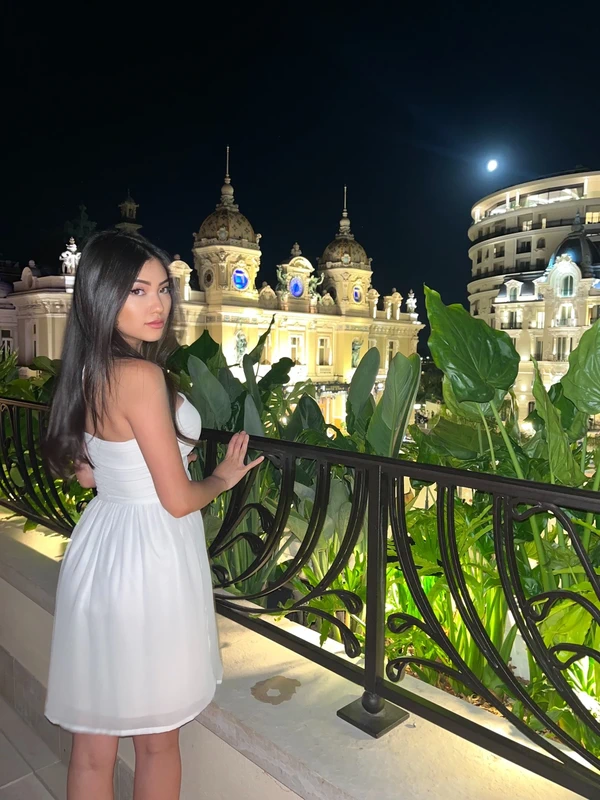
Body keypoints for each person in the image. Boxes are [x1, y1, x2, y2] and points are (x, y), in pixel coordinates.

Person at [43, 230, 263, 800]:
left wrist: (139, 467)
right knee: (158, 742)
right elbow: (177, 499)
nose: (158, 304)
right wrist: (223, 477)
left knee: (92, 748)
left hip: (100, 551)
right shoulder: (141, 377)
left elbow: (88, 472)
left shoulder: (87, 371)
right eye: (137, 291)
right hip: (148, 560)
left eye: (163, 288)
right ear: (102, 295)